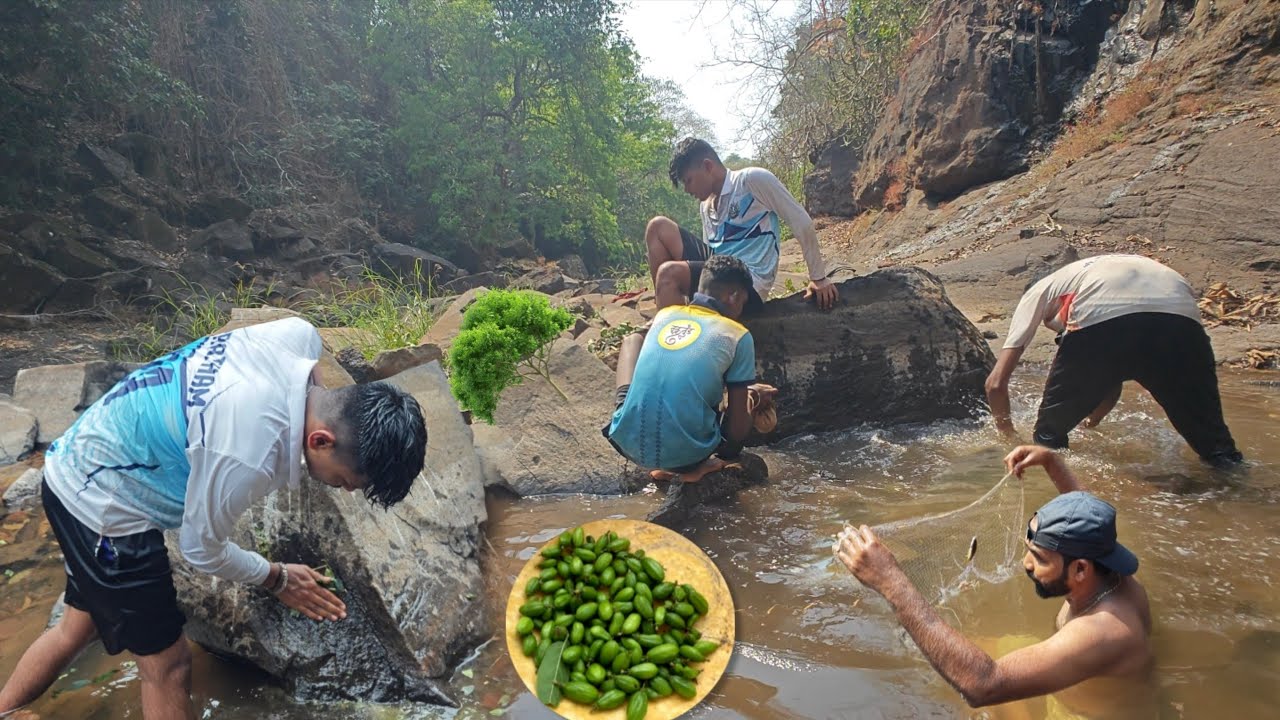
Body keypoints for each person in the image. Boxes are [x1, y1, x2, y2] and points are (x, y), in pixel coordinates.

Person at [0, 317, 428, 720]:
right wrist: (275, 577)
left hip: (77, 460)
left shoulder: (295, 336)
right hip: (105, 508)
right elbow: (200, 549)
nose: (346, 490)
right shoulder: (247, 452)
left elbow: (309, 346)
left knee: (80, 626)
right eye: (346, 482)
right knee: (169, 666)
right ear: (320, 439)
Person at [835, 446, 1153, 713]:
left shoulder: (1102, 631)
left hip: (1077, 713)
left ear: (1081, 570)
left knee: (960, 674)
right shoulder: (1111, 567)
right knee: (948, 649)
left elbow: (983, 685)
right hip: (1072, 676)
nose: (1026, 563)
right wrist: (1052, 462)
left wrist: (891, 581)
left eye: (1040, 559)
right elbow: (1088, 513)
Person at [985, 254, 1242, 467]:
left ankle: (1060, 501)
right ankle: (1242, 493)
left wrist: (1007, 436)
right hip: (1181, 320)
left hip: (1108, 316)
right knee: (1215, 445)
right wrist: (1092, 423)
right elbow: (1110, 374)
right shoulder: (1097, 271)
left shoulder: (1039, 291)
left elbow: (995, 384)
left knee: (1047, 436)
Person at [603, 254, 765, 483]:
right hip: (689, 456)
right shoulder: (737, 335)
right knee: (741, 409)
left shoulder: (665, 314)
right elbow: (737, 427)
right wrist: (753, 399)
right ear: (734, 296)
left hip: (626, 442)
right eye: (743, 301)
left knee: (632, 341)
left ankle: (657, 457)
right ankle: (695, 470)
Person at [645, 137, 840, 313]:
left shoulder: (751, 180)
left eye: (688, 181)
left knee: (669, 273)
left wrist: (818, 278)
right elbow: (708, 262)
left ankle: (676, 341)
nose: (687, 189)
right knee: (657, 227)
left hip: (747, 282)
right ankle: (671, 316)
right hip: (717, 272)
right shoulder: (706, 206)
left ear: (707, 166)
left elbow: (802, 222)